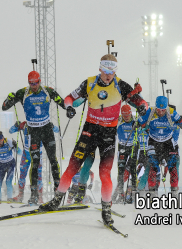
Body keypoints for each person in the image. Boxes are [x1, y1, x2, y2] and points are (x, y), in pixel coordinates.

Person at [39, 54, 148, 228]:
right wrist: (68, 108)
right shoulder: (89, 83)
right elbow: (69, 98)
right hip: (89, 131)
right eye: (105, 70)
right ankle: (57, 200)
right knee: (72, 167)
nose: (108, 74)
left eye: (112, 71)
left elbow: (141, 102)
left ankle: (106, 210)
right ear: (100, 68)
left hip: (108, 134)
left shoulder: (120, 85)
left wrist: (142, 107)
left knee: (105, 174)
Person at [2, 71, 65, 204]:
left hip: (47, 129)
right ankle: (34, 194)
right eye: (31, 83)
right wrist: (9, 98)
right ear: (28, 82)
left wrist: (69, 109)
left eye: (36, 83)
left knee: (53, 159)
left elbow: (61, 102)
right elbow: (4, 107)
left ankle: (58, 191)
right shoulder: (23, 92)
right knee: (35, 163)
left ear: (39, 81)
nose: (34, 86)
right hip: (33, 131)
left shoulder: (47, 91)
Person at [136, 96, 182, 198]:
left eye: (163, 110)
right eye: (158, 109)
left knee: (174, 169)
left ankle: (174, 195)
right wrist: (140, 113)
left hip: (168, 144)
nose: (161, 112)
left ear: (166, 108)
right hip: (154, 142)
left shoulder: (171, 113)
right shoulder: (150, 112)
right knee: (152, 169)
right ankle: (152, 195)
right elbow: (137, 123)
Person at [9, 121, 60, 203]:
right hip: (26, 154)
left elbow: (57, 130)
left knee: (38, 176)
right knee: (22, 175)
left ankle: (39, 197)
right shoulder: (25, 124)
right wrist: (15, 126)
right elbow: (10, 131)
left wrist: (52, 126)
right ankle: (20, 195)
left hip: (36, 154)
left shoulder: (41, 124)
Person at [111, 104, 139, 204]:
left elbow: (143, 128)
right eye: (124, 115)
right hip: (122, 146)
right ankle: (120, 192)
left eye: (128, 115)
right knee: (121, 169)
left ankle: (134, 190)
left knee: (133, 168)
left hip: (133, 146)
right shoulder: (118, 120)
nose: (126, 117)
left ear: (130, 113)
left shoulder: (135, 120)